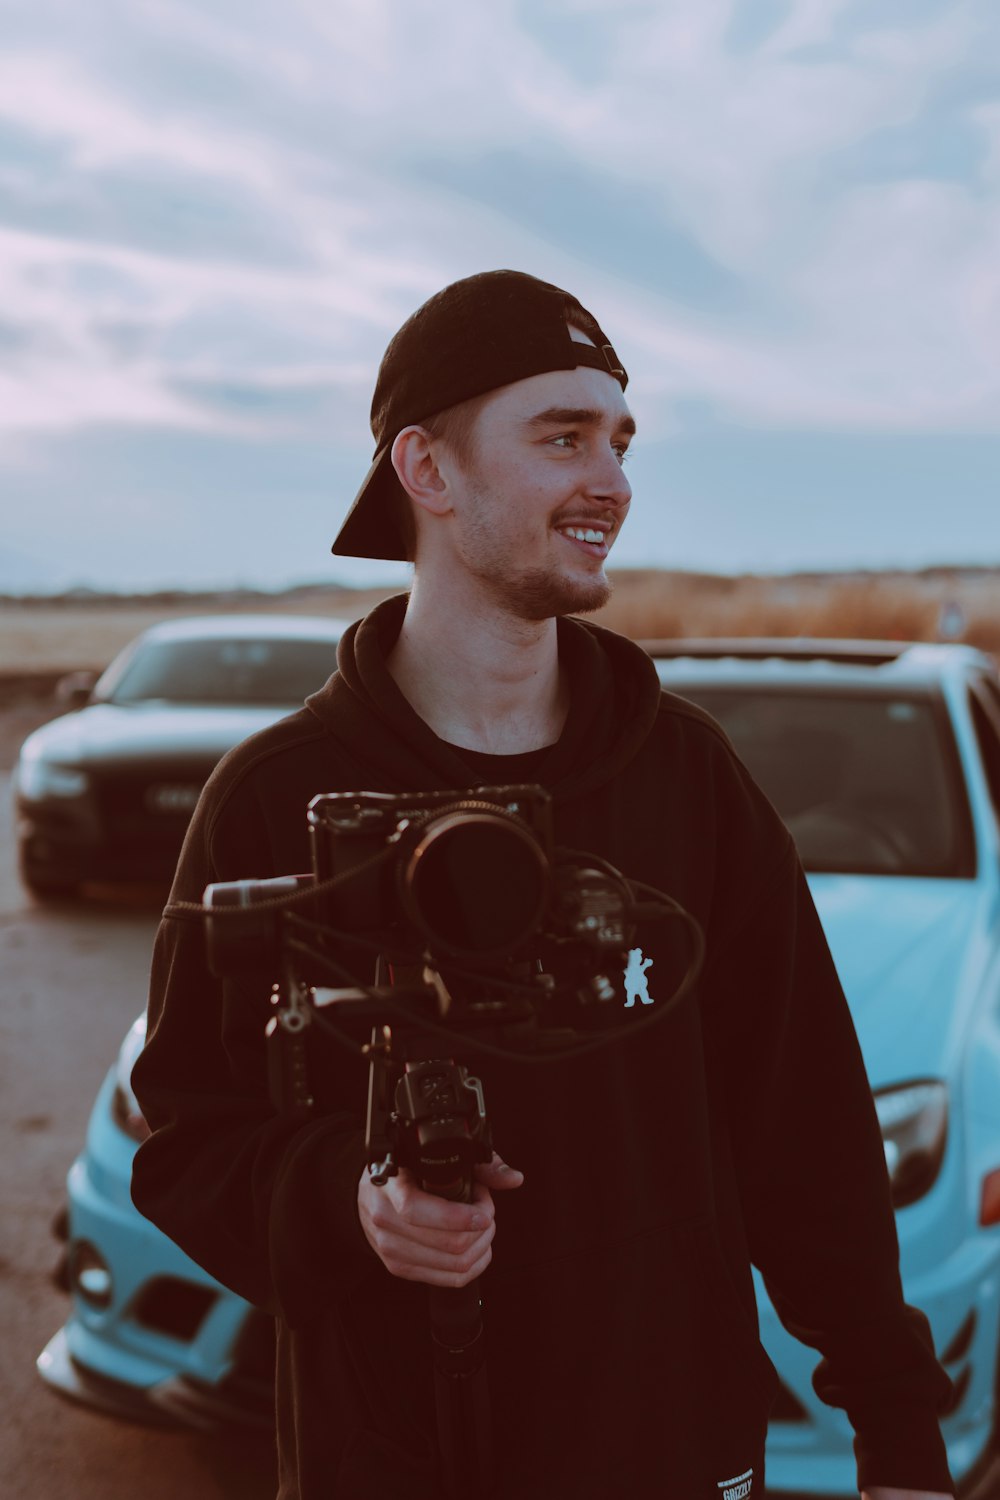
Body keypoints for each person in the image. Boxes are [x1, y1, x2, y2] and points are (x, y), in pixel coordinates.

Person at [130, 270, 956, 1500]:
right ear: (427, 470)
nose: (612, 482)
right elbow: (188, 1136)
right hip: (392, 1464)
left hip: (674, 1450)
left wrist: (894, 1425)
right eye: (561, 437)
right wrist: (349, 1208)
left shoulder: (684, 777)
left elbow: (803, 1118)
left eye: (619, 441)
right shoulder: (274, 795)